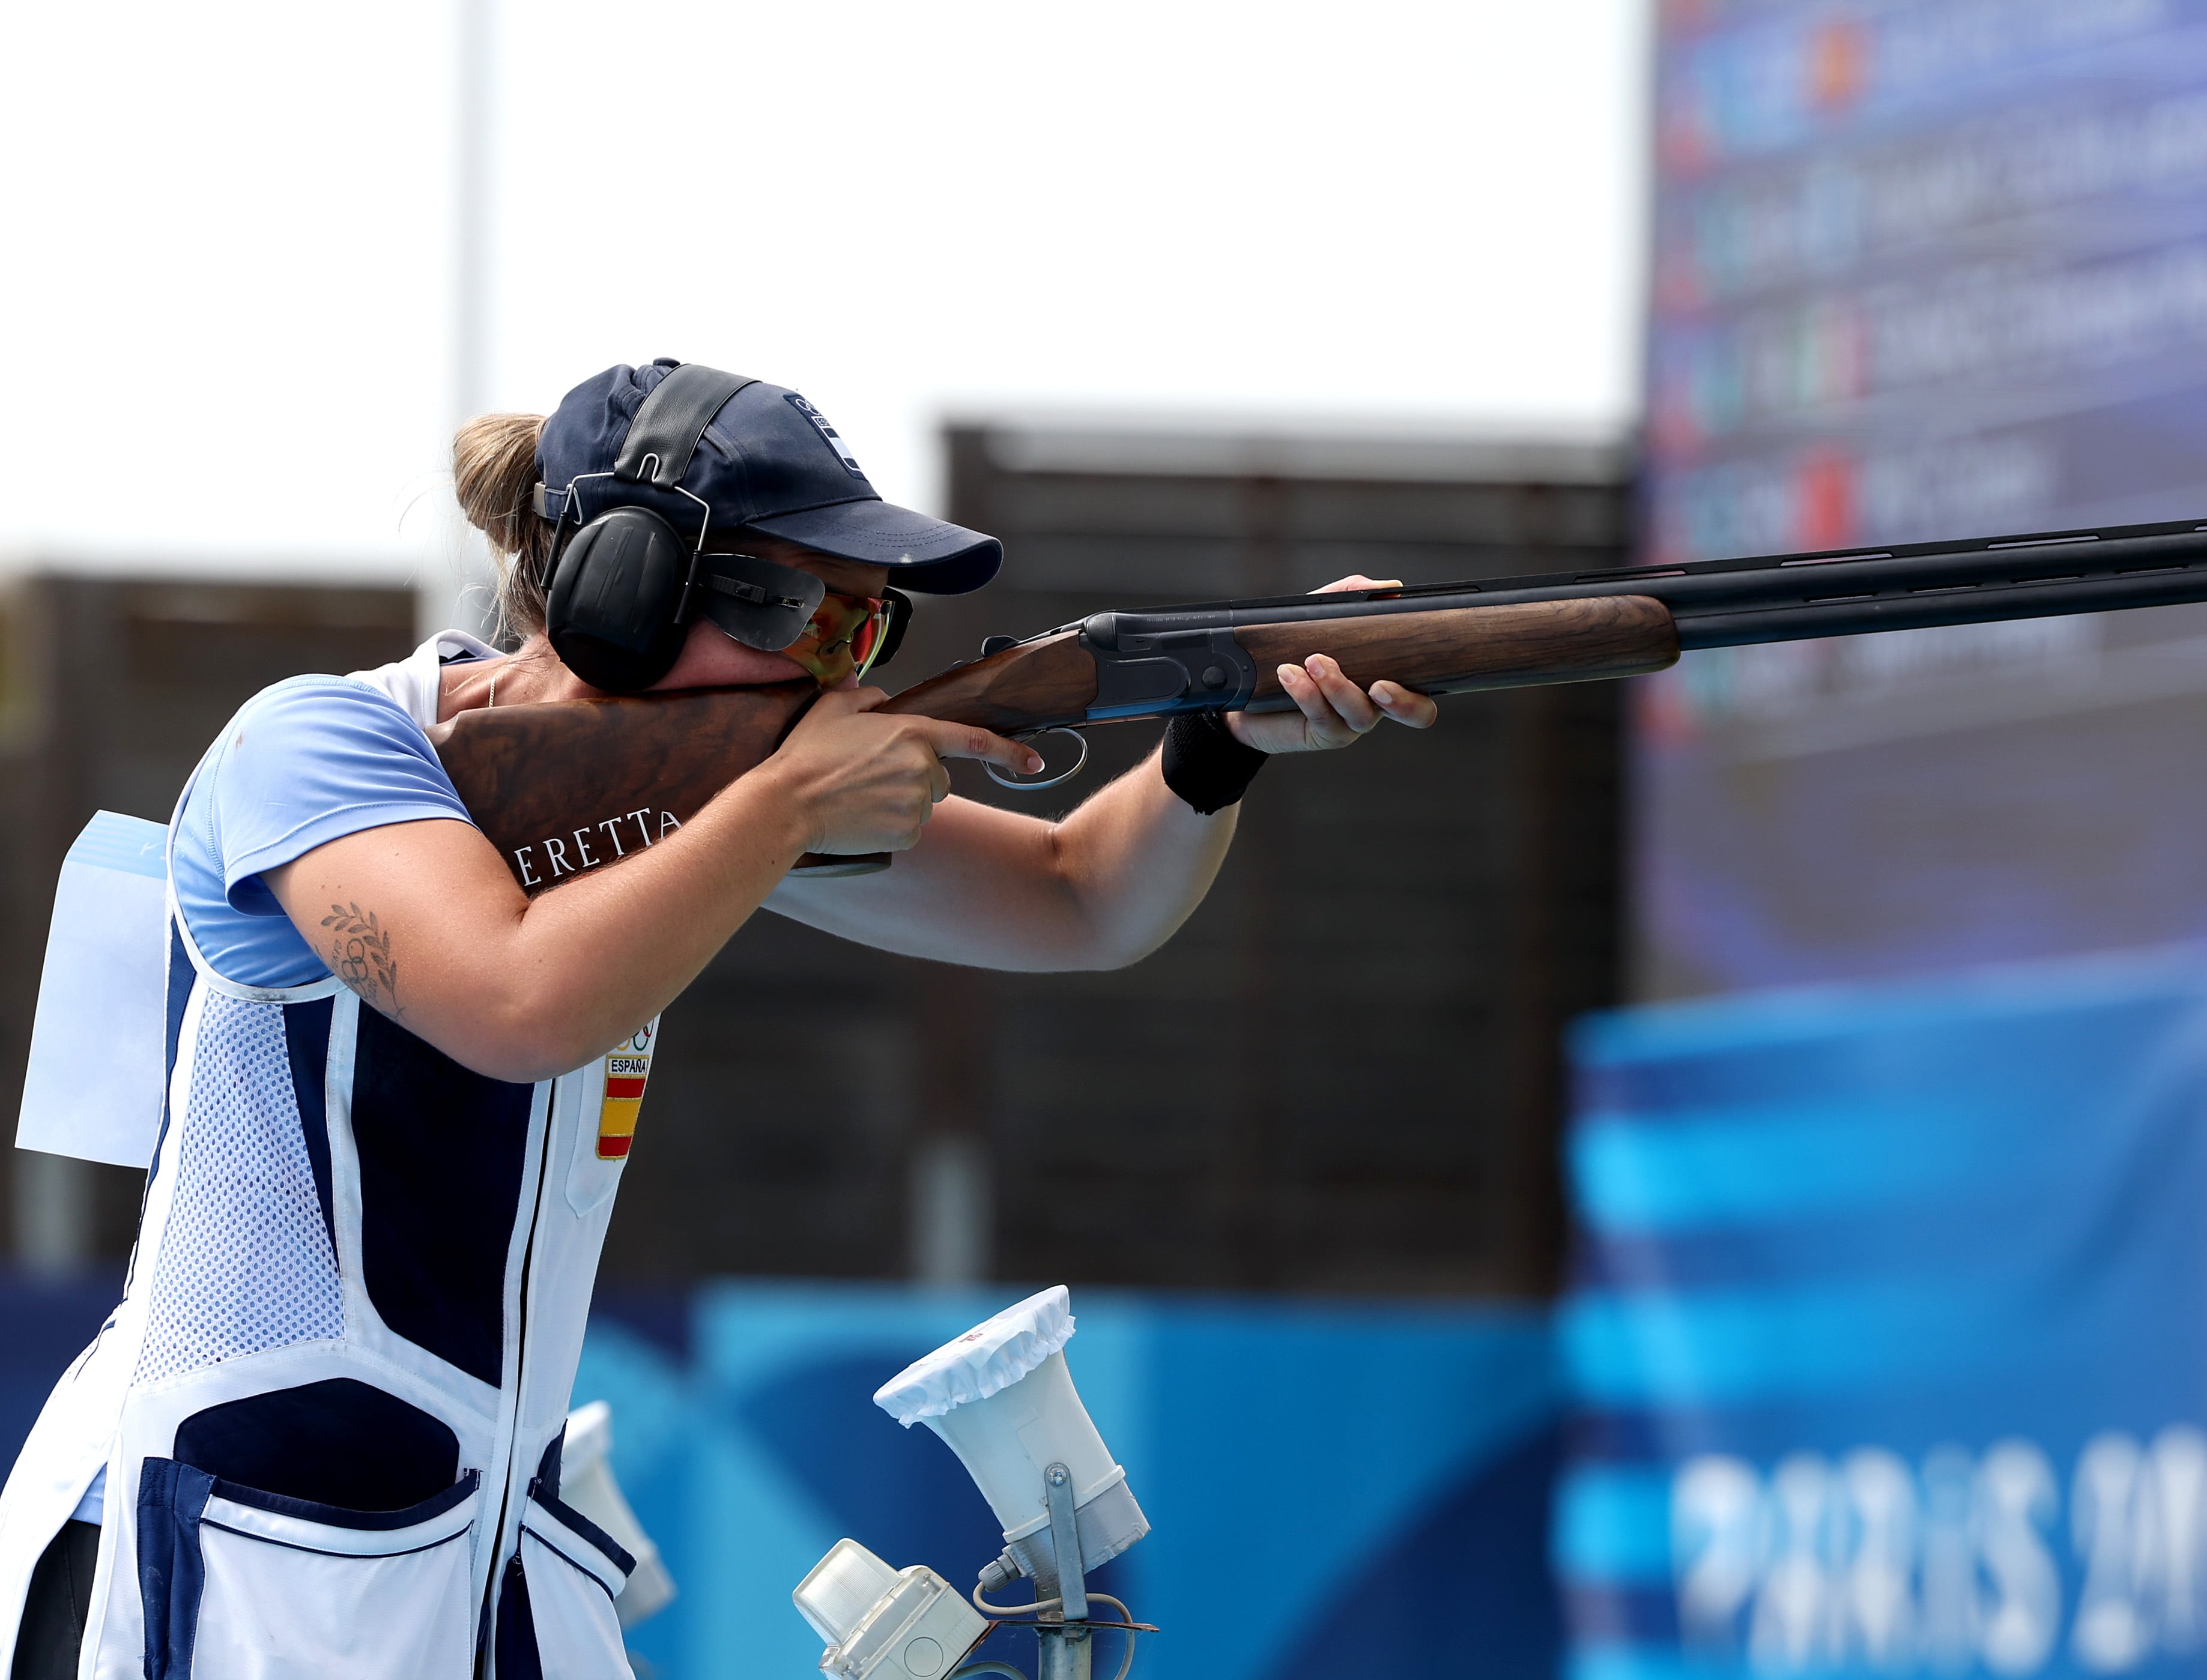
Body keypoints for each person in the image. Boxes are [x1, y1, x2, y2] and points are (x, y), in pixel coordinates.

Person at [0, 361, 1436, 1679]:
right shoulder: (319, 743)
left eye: (865, 620)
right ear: (619, 588)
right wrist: (785, 806)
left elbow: (1078, 900)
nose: (839, 664)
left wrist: (1214, 747)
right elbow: (517, 999)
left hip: (483, 1571)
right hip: (216, 1547)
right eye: (801, 613)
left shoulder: (703, 816)